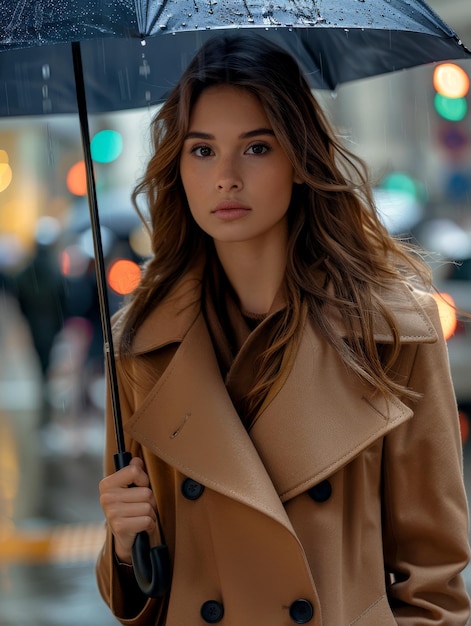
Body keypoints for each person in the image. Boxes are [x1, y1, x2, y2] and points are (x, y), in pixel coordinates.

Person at [96, 34, 470, 625]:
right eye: (201, 151)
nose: (225, 177)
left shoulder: (395, 332)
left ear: (298, 160)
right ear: (179, 169)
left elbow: (435, 583)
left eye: (256, 147)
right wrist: (122, 545)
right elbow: (143, 600)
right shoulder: (142, 344)